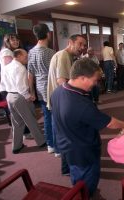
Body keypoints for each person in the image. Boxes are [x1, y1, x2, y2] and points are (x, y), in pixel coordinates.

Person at [51, 58, 124, 198]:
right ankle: (85, 194)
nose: (96, 84)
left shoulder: (59, 90)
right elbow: (109, 123)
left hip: (66, 142)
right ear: (82, 78)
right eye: (94, 80)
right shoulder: (80, 104)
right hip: (83, 150)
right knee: (86, 178)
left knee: (75, 172)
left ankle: (80, 190)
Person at [47, 34, 86, 175]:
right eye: (80, 44)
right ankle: (67, 167)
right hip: (63, 102)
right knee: (68, 135)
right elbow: (62, 81)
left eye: (84, 45)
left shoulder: (68, 57)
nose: (82, 48)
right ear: (70, 42)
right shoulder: (63, 55)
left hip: (60, 101)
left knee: (64, 133)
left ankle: (66, 163)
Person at [2, 49, 46, 153]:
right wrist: (29, 96)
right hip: (20, 96)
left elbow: (3, 83)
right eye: (25, 56)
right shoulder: (20, 68)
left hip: (9, 96)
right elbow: (21, 87)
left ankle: (16, 147)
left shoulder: (6, 67)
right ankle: (42, 142)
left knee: (17, 123)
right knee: (31, 120)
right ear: (18, 56)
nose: (27, 58)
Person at [28, 23, 56, 154]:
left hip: (39, 88)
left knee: (46, 117)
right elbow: (56, 73)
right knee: (55, 117)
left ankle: (50, 144)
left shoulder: (31, 52)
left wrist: (31, 91)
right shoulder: (51, 53)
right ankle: (57, 147)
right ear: (48, 34)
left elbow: (30, 74)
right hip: (51, 87)